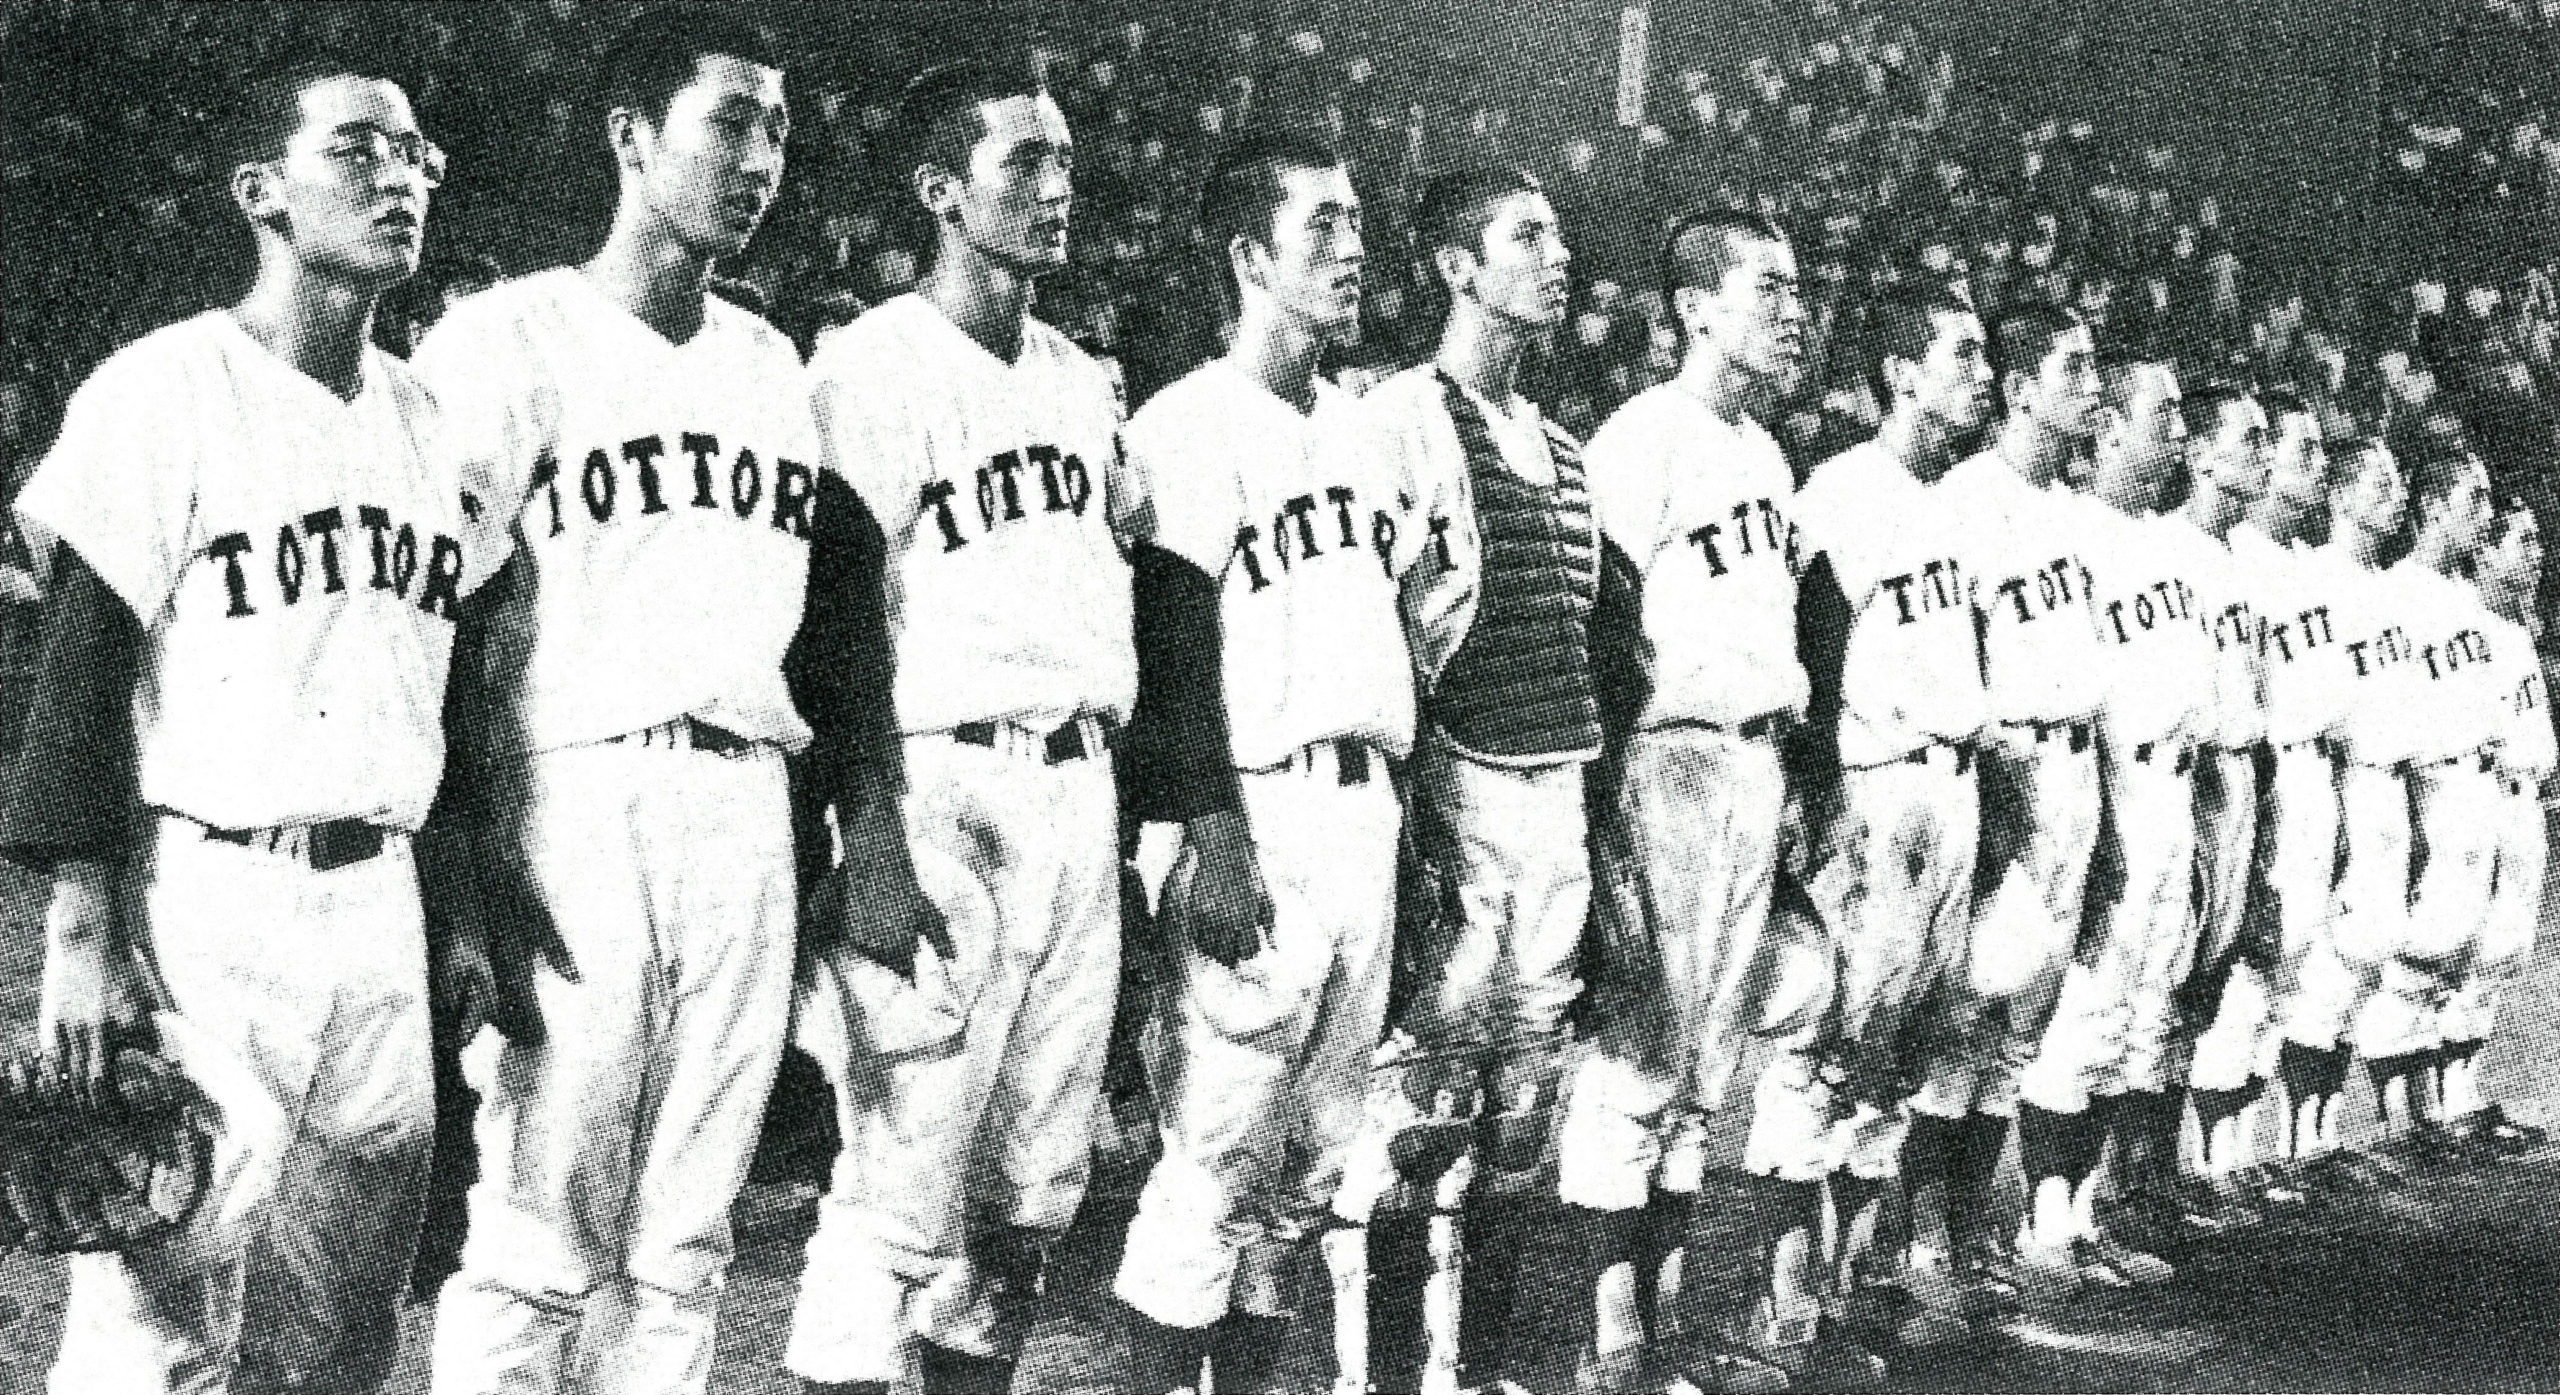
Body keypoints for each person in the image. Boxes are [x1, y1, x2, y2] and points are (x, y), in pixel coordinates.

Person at [0, 50, 493, 1391]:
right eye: (359, 150)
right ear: (260, 190)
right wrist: (82, 933)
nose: (401, 179)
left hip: (380, 908)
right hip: (209, 900)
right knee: (155, 1319)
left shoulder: (437, 426)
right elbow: (81, 669)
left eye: (416, 157)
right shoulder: (165, 389)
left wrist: (451, 912)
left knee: (342, 1327)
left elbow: (442, 698)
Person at [411, 12, 820, 1393]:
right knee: (538, 1223)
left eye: (776, 127)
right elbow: (439, 624)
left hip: (745, 797)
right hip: (575, 789)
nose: (759, 157)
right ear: (631, 136)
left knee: (687, 1235)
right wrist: (464, 863)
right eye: (728, 122)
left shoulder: (775, 365)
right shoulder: (500, 337)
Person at [782, 60, 1138, 1395]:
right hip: (944, 787)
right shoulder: (870, 365)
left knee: (1032, 1188)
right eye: (1021, 164)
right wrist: (864, 828)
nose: (1055, 190)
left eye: (1063, 163)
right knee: (898, 1187)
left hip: (1075, 784)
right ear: (943, 190)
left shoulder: (1084, 378)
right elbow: (838, 621)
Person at [1105, 129, 1420, 1395]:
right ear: (1248, 256)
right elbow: (1171, 650)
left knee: (1311, 1169)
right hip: (1256, 805)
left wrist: (1413, 839)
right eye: (1321, 230)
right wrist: (1212, 835)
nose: (1352, 253)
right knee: (1212, 1159)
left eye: (1356, 225)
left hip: (1365, 810)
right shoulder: (1185, 421)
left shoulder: (1364, 425)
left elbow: (1394, 633)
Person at [1559, 207, 1827, 1391]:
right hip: (1666, 764)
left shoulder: (1765, 458)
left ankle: (1658, 1329)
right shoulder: (1639, 438)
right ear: (1693, 309)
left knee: (1707, 1070)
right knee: (1640, 1056)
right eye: (1765, 286)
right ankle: (1611, 1337)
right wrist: (1601, 811)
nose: (1791, 308)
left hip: (1753, 762)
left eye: (1794, 287)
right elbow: (1599, 631)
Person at [1343, 164, 1593, 1393]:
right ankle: (1382, 1377)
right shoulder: (1395, 421)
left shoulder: (1562, 446)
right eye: (1526, 236)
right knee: (1416, 1115)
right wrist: (1405, 832)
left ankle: (1479, 1369)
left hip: (1555, 799)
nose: (1557, 257)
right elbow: (1375, 630)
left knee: (1520, 1122)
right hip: (1451, 795)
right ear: (1455, 266)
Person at [1753, 283, 1991, 1365]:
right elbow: (1814, 649)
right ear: (1901, 372)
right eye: (1961, 354)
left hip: (1949, 784)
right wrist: (1825, 797)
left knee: (1898, 1057)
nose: (1980, 375)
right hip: (1875, 782)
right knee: (1826, 1049)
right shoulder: (1844, 490)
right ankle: (1782, 1301)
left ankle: (1846, 1289)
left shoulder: (1947, 500)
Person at [2012, 351, 2211, 1298]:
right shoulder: (2072, 529)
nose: (2177, 432)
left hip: (2176, 786)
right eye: (2161, 415)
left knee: (2137, 1009)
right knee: (2080, 1009)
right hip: (2108, 778)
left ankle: (2086, 1210)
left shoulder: (2168, 542)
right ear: (2112, 428)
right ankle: (2042, 1218)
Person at [1923, 304, 2109, 1311]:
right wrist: (1994, 818)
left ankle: (1966, 1228)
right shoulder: (1966, 499)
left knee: (2022, 1029)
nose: (2091, 386)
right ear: (2022, 386)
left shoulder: (2076, 514)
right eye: (2073, 368)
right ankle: (1917, 1240)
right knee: (1966, 1006)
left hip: (2077, 768)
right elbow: (1965, 659)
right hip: (2009, 766)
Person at [2118, 383, 2274, 1247]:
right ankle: (2104, 1190)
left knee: (2198, 991)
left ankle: (2152, 1177)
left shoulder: (2241, 562)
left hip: (2230, 775)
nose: (2258, 454)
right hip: (2173, 773)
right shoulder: (2158, 548)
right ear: (2203, 455)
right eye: (2245, 440)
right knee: (2150, 983)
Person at [2187, 391, 2338, 1212]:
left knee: (2288, 963)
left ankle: (2250, 1149)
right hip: (2243, 767)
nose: (2312, 465)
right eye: (2297, 449)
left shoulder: (2295, 566)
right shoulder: (2227, 550)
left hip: (2292, 770)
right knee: (2239, 963)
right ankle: (2217, 1155)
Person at [2275, 439, 2421, 1191]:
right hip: (2342, 777)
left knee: (2370, 952)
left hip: (2390, 783)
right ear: (2337, 494)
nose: (2396, 494)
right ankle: (2298, 1137)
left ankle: (2325, 1130)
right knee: (2326, 963)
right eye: (2379, 480)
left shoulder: (2384, 587)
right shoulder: (2312, 578)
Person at [2353, 442, 2502, 1168]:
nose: (2486, 516)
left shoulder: (2466, 597)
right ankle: (2395, 1120)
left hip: (2477, 780)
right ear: (2436, 507)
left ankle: (2438, 1113)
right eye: (2473, 501)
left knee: (2458, 949)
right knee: (2415, 953)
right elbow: (2396, 710)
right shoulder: (2396, 592)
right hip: (2431, 782)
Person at [2438, 496, 2553, 1153]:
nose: (2533, 554)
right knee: (2460, 948)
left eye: (2536, 541)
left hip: (2524, 802)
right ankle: (2440, 1105)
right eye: (2518, 541)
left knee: (2502, 953)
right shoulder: (2462, 624)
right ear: (2481, 553)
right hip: (2478, 795)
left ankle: (2469, 1094)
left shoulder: (2515, 628)